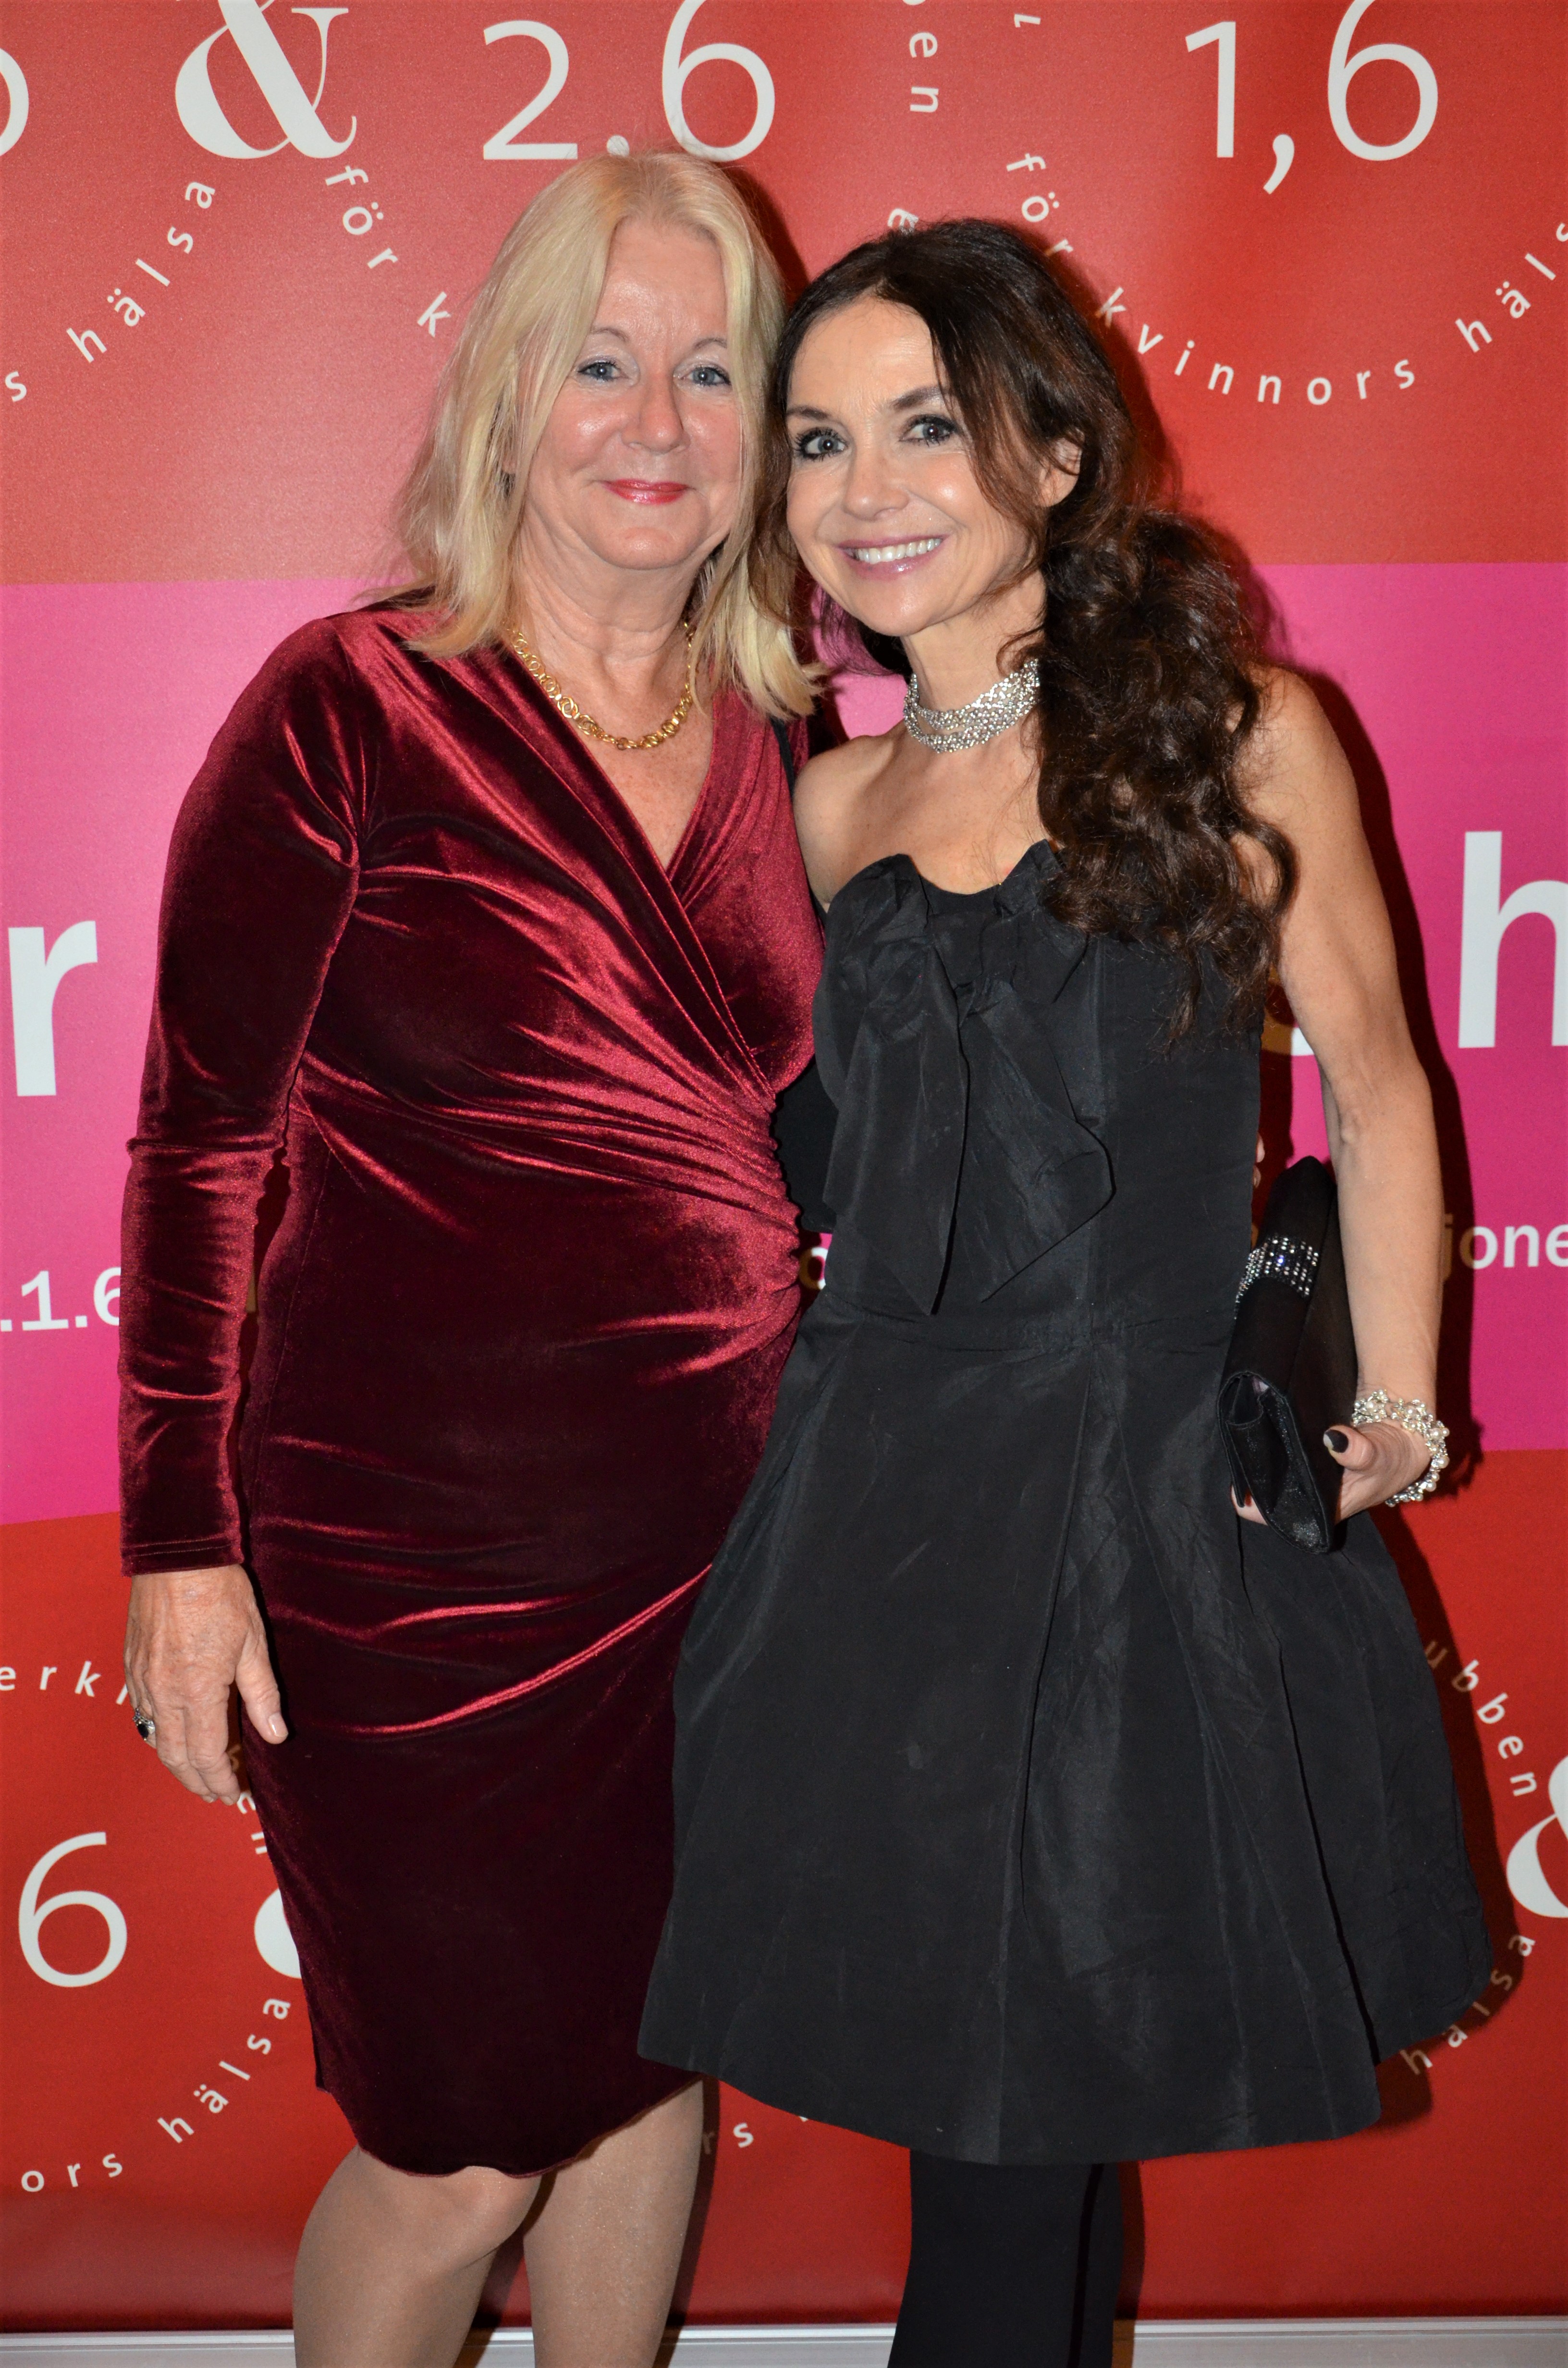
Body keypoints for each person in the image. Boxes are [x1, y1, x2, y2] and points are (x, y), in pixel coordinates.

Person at [640, 221, 1490, 2368]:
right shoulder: (830, 803)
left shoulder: (1237, 736)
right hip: (880, 1518)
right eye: (817, 439)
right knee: (1001, 2109)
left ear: (1052, 447)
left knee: (1029, 2127)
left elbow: (1381, 1088)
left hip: (1137, 1511)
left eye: (925, 424)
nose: (865, 489)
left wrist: (1394, 1413)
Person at [118, 153, 820, 2368]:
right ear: (510, 394)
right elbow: (201, 1143)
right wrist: (179, 1547)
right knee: (457, 2151)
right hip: (407, 1578)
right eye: (603, 361)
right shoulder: (351, 706)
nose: (656, 423)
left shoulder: (785, 735)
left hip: (724, 1554)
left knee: (650, 2061)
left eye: (713, 373)